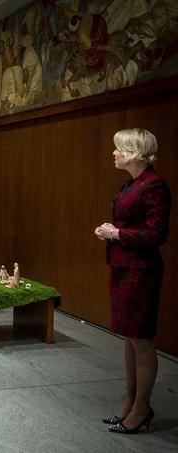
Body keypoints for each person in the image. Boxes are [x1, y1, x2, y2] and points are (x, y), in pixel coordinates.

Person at [94, 128, 171, 434]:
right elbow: (132, 224)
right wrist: (112, 229)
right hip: (124, 267)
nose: (113, 153)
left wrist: (116, 233)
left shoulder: (155, 186)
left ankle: (142, 408)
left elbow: (157, 234)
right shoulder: (132, 183)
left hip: (141, 270)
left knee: (141, 339)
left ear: (134, 152)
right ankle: (129, 402)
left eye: (118, 149)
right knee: (129, 336)